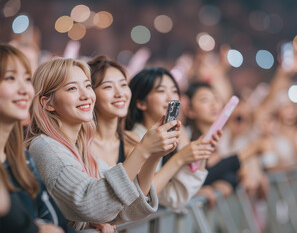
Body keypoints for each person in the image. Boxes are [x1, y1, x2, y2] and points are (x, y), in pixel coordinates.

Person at [26, 57, 179, 231]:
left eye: (87, 86)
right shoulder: (45, 146)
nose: (86, 95)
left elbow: (129, 206)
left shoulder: (80, 149)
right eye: (72, 88)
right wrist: (143, 149)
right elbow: (92, 205)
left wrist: (153, 155)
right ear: (48, 103)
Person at [126, 67, 221, 211]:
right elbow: (144, 196)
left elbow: (177, 194)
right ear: (140, 103)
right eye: (161, 91)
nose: (171, 98)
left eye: (174, 91)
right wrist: (180, 159)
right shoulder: (134, 140)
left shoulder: (175, 133)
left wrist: (202, 153)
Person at [0, 44, 65, 232]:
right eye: (11, 78)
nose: (25, 89)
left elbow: (56, 219)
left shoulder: (22, 157)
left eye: (27, 79)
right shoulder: (42, 146)